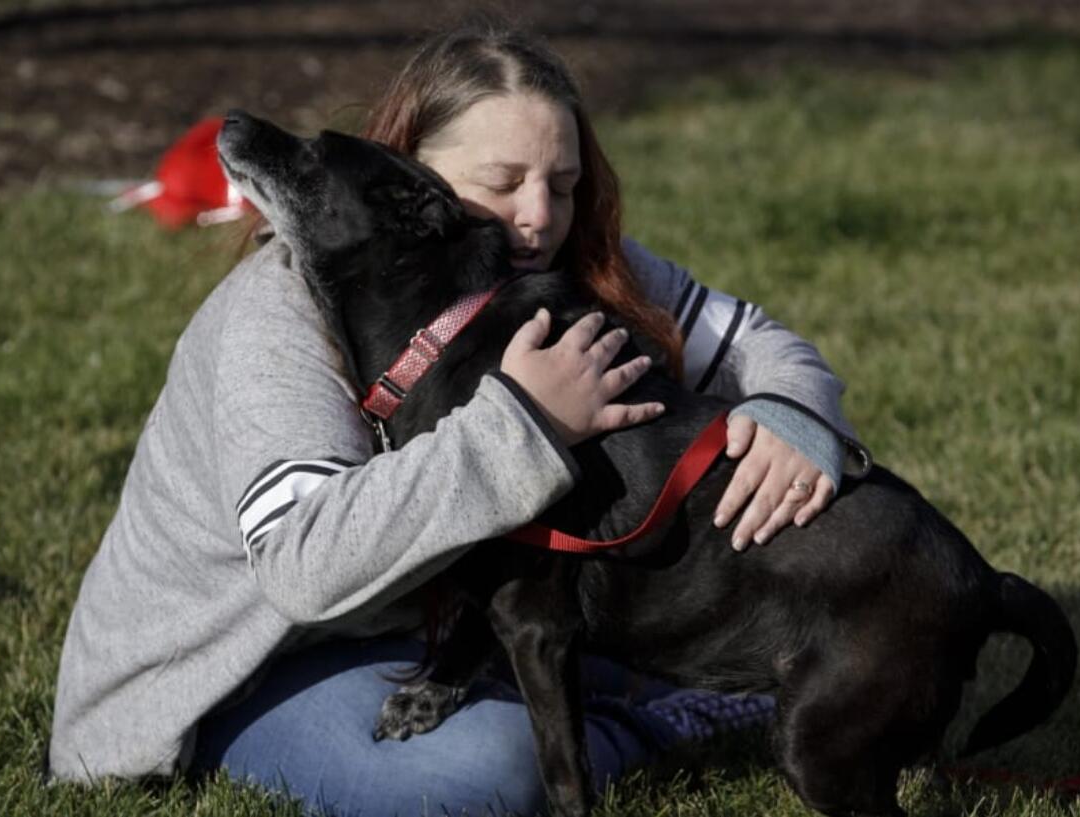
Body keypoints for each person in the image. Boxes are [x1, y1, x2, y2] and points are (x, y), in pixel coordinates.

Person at [49, 20, 870, 817]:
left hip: (450, 632)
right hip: (247, 664)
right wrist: (527, 422)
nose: (539, 215)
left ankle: (636, 687)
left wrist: (791, 414)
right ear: (409, 176)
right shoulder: (279, 316)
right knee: (476, 778)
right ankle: (669, 715)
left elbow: (756, 341)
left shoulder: (536, 261)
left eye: (564, 182)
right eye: (502, 182)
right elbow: (305, 572)